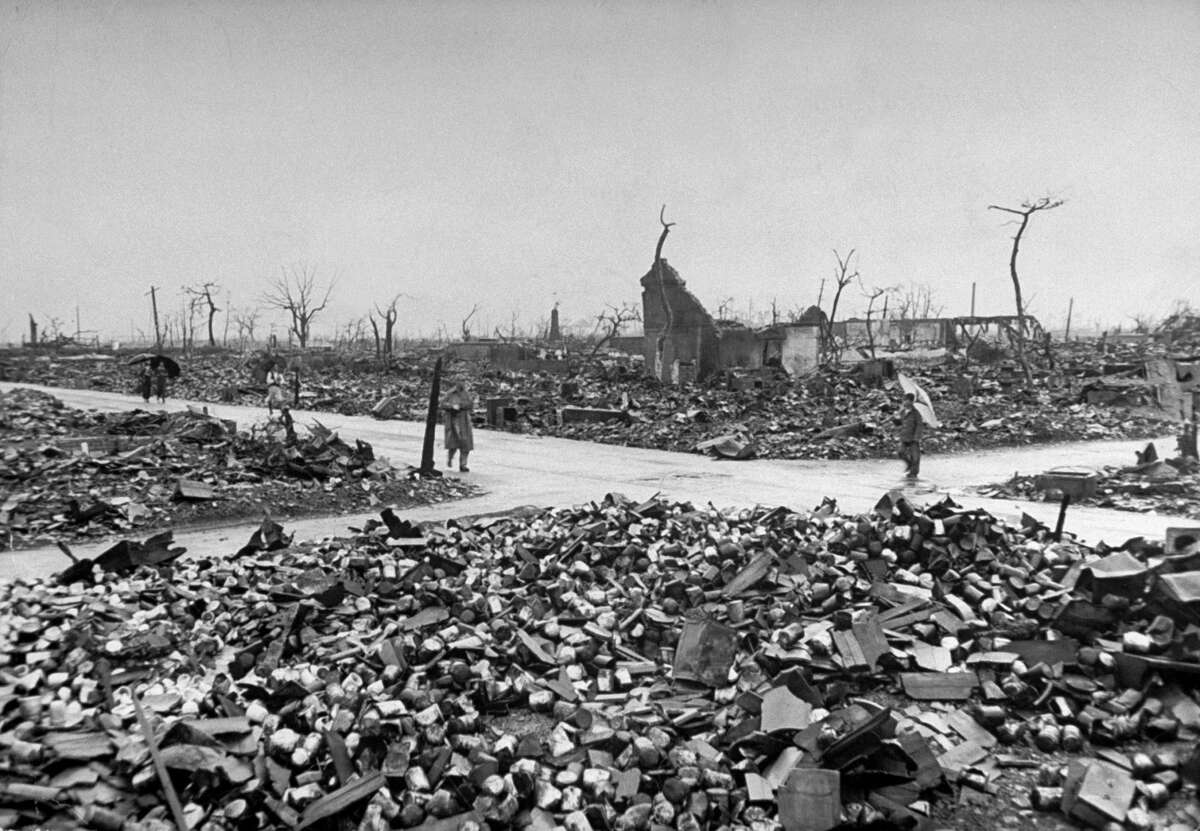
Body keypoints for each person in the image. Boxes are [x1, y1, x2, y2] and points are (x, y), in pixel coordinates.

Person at [441, 380, 475, 472]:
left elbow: (470, 404)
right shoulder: (450, 393)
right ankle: (450, 458)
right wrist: (452, 406)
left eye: (463, 382)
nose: (461, 384)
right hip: (452, 420)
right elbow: (443, 404)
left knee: (465, 444)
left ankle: (463, 465)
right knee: (453, 443)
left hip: (464, 421)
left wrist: (461, 405)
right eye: (460, 382)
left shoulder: (466, 394)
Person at [898, 392, 923, 478]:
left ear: (911, 402)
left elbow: (919, 425)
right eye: (903, 400)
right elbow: (900, 423)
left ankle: (913, 473)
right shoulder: (902, 412)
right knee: (901, 452)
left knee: (915, 457)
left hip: (913, 438)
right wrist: (895, 421)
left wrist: (916, 437)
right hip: (904, 436)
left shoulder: (916, 413)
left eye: (906, 400)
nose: (904, 402)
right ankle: (909, 464)